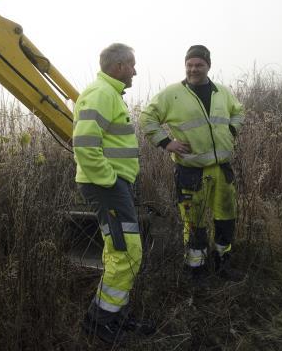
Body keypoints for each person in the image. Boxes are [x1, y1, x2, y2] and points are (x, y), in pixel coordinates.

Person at [140, 45, 245, 283]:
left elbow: (239, 111)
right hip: (190, 171)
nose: (193, 69)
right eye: (189, 64)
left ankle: (222, 265)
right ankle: (195, 272)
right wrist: (166, 142)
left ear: (209, 66)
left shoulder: (222, 92)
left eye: (199, 65)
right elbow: (147, 118)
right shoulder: (172, 93)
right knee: (194, 223)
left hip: (222, 169)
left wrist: (231, 130)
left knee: (226, 219)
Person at [73, 43, 154, 344]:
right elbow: (84, 145)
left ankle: (115, 314)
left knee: (119, 251)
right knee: (127, 252)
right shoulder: (101, 94)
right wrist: (110, 181)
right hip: (107, 186)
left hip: (113, 185)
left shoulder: (108, 95)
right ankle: (99, 321)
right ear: (119, 66)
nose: (135, 71)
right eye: (132, 65)